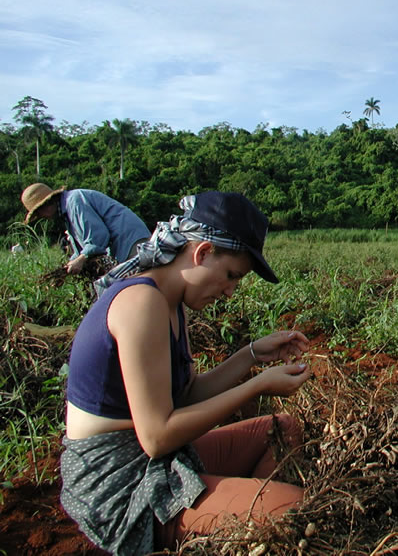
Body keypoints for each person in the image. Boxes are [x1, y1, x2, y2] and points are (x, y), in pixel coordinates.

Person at [59, 191, 313, 555]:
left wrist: (252, 355)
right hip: (120, 481)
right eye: (230, 276)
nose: (229, 291)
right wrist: (257, 386)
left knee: (281, 429)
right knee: (294, 510)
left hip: (156, 460)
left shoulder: (171, 303)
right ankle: (234, 516)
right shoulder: (142, 302)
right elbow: (158, 437)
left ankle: (230, 521)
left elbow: (187, 394)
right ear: (203, 252)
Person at [20, 183, 151, 274]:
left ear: (45, 205)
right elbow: (82, 248)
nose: (42, 217)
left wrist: (81, 259)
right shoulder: (67, 212)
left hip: (130, 242)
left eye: (39, 213)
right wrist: (69, 264)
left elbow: (98, 237)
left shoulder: (75, 202)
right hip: (125, 244)